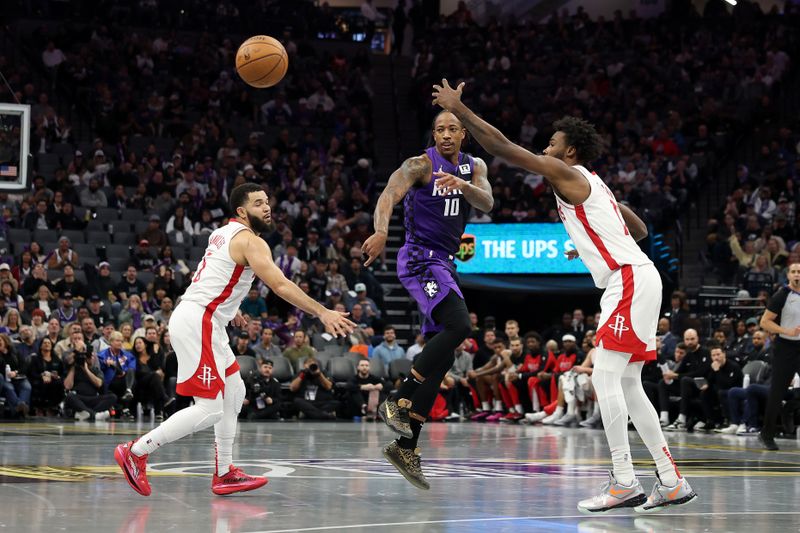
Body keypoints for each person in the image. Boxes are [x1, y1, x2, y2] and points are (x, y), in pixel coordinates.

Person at [433, 80, 696, 512]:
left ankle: (624, 480)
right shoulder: (595, 182)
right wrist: (591, 240)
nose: (545, 149)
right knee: (628, 384)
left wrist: (460, 110)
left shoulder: (566, 173)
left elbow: (501, 147)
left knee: (605, 377)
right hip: (639, 278)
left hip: (627, 280)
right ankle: (669, 480)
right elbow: (642, 230)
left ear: (569, 152)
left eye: (552, 144)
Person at [114, 183, 355, 497]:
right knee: (209, 409)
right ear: (242, 211)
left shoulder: (222, 234)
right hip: (199, 320)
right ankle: (136, 452)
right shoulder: (250, 241)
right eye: (258, 203)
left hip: (206, 319)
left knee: (235, 389)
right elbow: (280, 286)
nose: (267, 208)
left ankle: (225, 472)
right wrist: (323, 312)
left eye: (267, 201)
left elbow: (215, 274)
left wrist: (233, 308)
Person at [361, 108, 493, 490]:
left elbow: (487, 203)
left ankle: (406, 446)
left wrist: (464, 186)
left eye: (452, 129)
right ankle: (397, 397)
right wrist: (382, 231)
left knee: (444, 356)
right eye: (439, 129)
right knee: (461, 325)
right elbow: (389, 193)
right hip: (420, 259)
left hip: (445, 264)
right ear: (433, 135)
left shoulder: (474, 166)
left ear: (463, 134)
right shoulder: (420, 164)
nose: (446, 135)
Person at [758, 262, 800, 450]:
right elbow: (765, 322)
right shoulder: (782, 295)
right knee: (777, 392)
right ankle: (766, 434)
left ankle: (790, 411)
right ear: (788, 275)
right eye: (793, 271)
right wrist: (786, 331)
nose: (797, 274)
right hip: (786, 347)